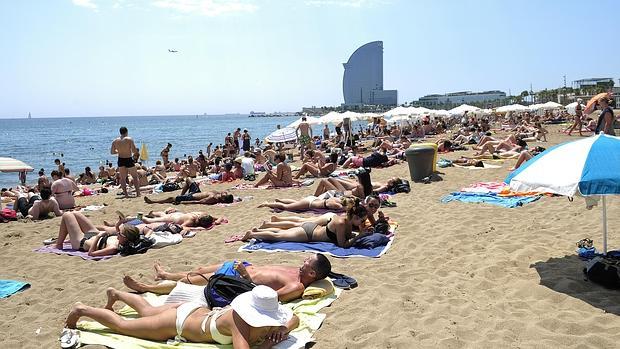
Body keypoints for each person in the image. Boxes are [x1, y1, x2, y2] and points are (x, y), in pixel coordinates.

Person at [63, 285, 299, 347]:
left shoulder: (258, 314)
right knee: (124, 326)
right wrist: (268, 343)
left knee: (146, 311)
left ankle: (116, 294)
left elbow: (294, 317)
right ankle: (82, 310)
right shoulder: (241, 321)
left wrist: (284, 328)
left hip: (195, 310)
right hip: (178, 323)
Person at [123, 253, 332, 302]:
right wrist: (245, 268)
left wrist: (245, 277)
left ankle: (145, 287)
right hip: (242, 267)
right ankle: (165, 274)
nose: (303, 260)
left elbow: (267, 299)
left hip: (237, 279)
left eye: (307, 261)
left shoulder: (296, 286)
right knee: (199, 270)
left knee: (186, 283)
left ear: (312, 273)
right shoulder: (296, 271)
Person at [242, 199, 370, 248]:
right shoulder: (342, 223)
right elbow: (343, 245)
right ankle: (252, 234)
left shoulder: (346, 221)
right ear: (354, 216)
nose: (363, 222)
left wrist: (359, 232)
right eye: (362, 220)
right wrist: (359, 236)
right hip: (309, 234)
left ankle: (257, 232)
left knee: (282, 233)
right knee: (278, 236)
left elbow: (346, 237)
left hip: (313, 229)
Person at [54, 212, 140, 257]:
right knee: (76, 213)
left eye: (120, 233)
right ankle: (60, 241)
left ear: (125, 238)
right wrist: (120, 222)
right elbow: (118, 230)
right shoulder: (121, 240)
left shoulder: (113, 248)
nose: (118, 233)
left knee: (67, 215)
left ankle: (59, 244)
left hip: (81, 242)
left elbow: (91, 253)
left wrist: (98, 237)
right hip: (93, 234)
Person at [144, 179, 234, 205]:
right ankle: (181, 194)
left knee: (172, 198)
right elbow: (225, 191)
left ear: (223, 198)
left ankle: (153, 201)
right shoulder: (220, 194)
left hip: (192, 197)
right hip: (197, 192)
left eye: (224, 194)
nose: (224, 193)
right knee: (188, 180)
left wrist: (183, 201)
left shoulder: (212, 198)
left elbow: (198, 202)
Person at [111, 127, 141, 198]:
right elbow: (134, 151)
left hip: (120, 159)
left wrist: (119, 151)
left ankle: (126, 194)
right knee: (135, 176)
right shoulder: (129, 139)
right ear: (126, 132)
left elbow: (112, 152)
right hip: (128, 159)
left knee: (123, 178)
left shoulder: (115, 141)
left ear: (120, 132)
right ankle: (138, 193)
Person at [140, 210, 226, 230]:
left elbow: (220, 217)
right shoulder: (192, 220)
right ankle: (138, 216)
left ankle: (154, 212)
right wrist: (196, 228)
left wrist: (217, 221)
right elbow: (181, 227)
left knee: (163, 215)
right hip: (173, 218)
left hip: (179, 215)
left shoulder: (204, 214)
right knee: (149, 221)